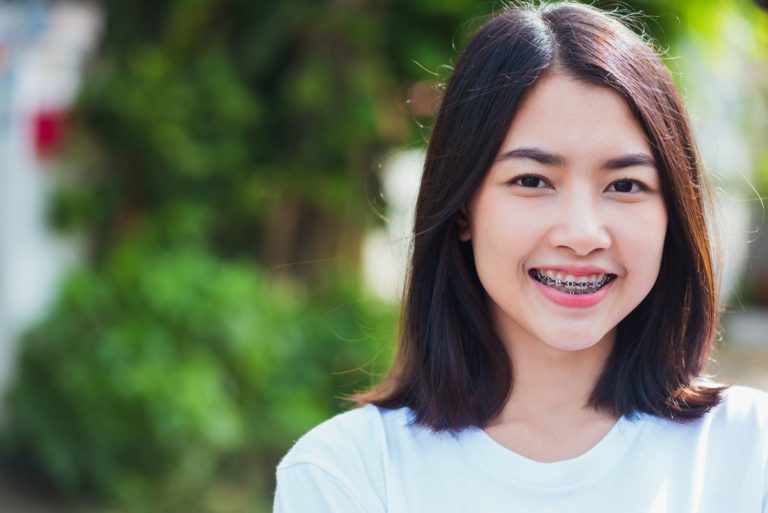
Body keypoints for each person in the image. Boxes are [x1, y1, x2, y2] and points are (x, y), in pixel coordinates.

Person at [273, 2, 768, 512]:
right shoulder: (347, 473)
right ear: (463, 207)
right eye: (531, 180)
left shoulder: (751, 456)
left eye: (625, 184)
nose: (582, 234)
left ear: (673, 214)